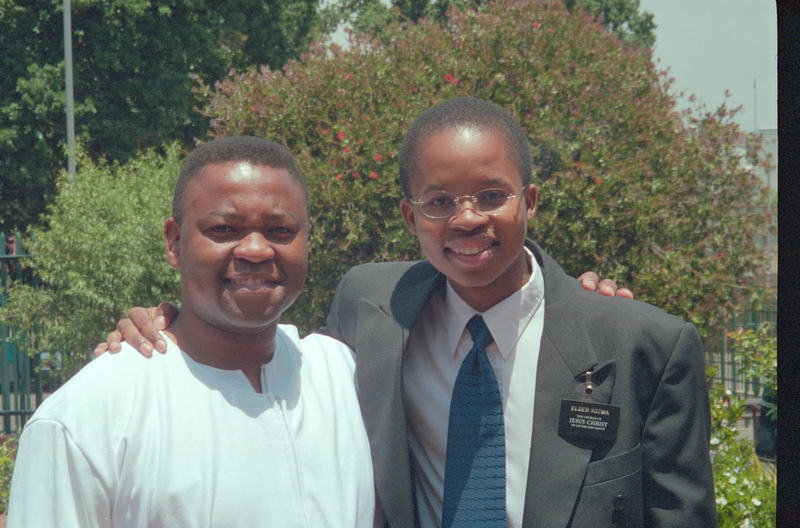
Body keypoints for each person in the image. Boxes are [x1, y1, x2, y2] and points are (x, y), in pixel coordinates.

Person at [103, 98, 715, 527]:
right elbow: (258, 359)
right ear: (409, 217)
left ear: (529, 201)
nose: (467, 218)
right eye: (440, 200)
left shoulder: (641, 345)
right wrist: (170, 323)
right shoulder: (370, 308)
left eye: (493, 196)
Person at [8, 137, 375, 527]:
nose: (255, 249)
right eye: (224, 228)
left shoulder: (344, 375)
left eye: (280, 230)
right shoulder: (90, 414)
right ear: (174, 242)